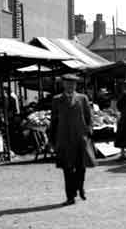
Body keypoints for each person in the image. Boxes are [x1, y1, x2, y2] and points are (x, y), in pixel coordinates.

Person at [50, 73, 96, 206]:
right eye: (68, 83)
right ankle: (70, 196)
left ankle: (80, 187)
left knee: (81, 167)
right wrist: (51, 139)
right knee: (67, 168)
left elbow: (89, 117)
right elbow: (54, 121)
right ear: (63, 84)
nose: (70, 85)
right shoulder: (57, 100)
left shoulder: (83, 98)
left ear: (76, 85)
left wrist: (89, 130)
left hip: (80, 138)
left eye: (73, 83)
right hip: (64, 139)